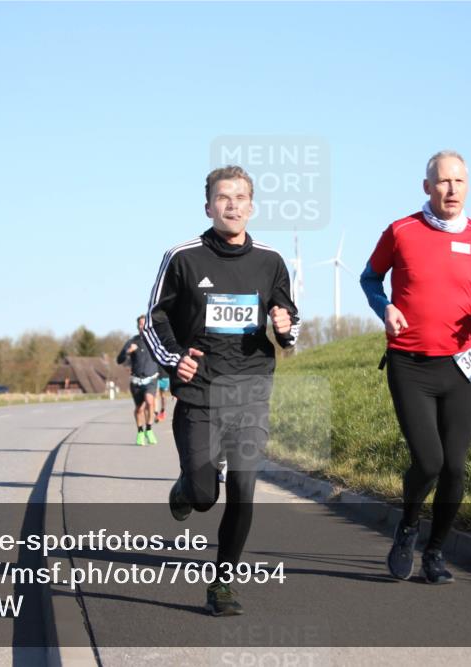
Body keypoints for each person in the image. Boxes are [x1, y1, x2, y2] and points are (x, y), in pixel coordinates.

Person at [359, 150, 471, 584]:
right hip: (409, 365)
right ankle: (408, 527)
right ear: (427, 186)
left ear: (468, 186)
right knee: (428, 462)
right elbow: (369, 278)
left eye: (460, 181)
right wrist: (385, 308)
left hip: (457, 367)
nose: (452, 189)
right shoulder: (402, 231)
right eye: (443, 181)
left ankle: (435, 553)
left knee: (455, 467)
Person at [143, 165, 299, 616]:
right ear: (208, 206)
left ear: (252, 206)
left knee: (244, 489)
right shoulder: (183, 257)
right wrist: (175, 357)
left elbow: (288, 318)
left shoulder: (270, 262)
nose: (232, 205)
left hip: (251, 389)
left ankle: (222, 584)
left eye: (240, 197)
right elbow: (155, 317)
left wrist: (285, 328)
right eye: (223, 197)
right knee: (206, 495)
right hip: (199, 392)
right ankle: (187, 489)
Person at [117, 315, 161, 446]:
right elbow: (119, 360)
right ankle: (140, 432)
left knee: (150, 402)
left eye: (144, 324)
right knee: (139, 409)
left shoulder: (155, 341)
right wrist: (128, 352)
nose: (142, 327)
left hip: (151, 379)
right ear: (137, 327)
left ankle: (149, 429)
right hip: (136, 381)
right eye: (140, 325)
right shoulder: (132, 342)